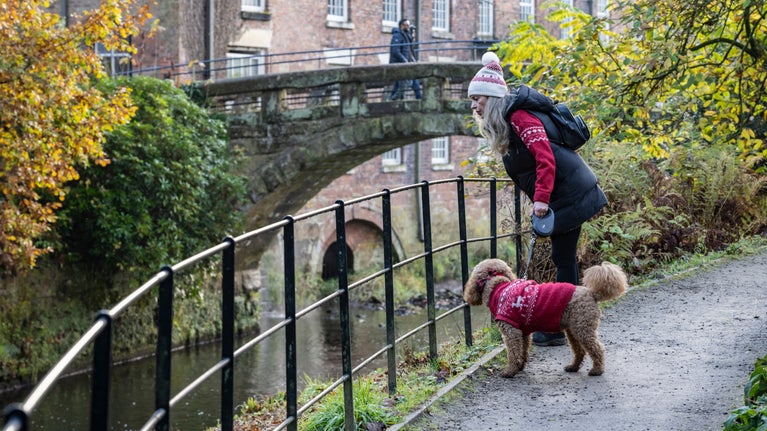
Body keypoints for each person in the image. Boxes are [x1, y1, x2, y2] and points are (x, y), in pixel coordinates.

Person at [467, 51, 608, 347]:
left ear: (490, 97)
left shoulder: (518, 116)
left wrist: (541, 201)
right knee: (564, 256)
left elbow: (546, 159)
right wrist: (541, 199)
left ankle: (561, 325)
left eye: (476, 98)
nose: (473, 106)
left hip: (569, 191)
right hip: (562, 193)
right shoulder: (507, 121)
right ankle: (564, 323)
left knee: (563, 256)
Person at [388, 18, 422, 100]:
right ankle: (419, 98)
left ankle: (391, 100)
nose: (408, 27)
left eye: (409, 25)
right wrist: (405, 61)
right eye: (406, 25)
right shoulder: (397, 35)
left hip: (407, 63)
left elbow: (409, 50)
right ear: (401, 26)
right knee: (406, 83)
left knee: (401, 84)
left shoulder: (406, 35)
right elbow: (395, 51)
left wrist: (413, 60)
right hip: (400, 64)